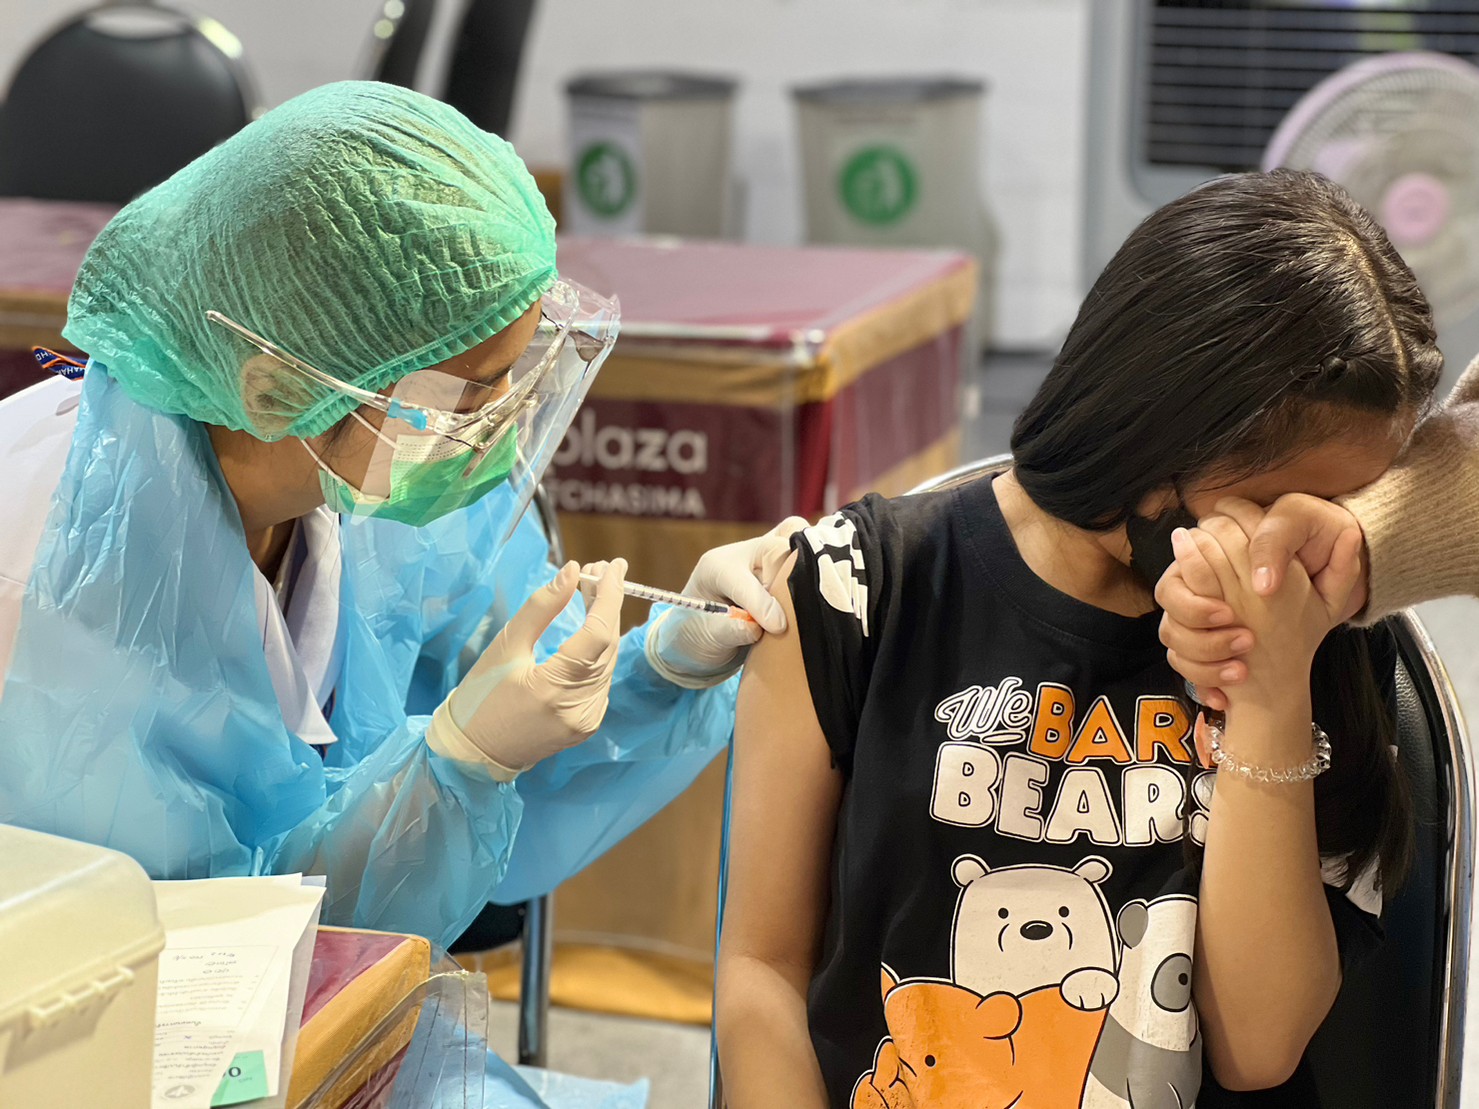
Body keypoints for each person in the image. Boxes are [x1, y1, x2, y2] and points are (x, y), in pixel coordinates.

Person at [0, 82, 796, 948]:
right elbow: (199, 959)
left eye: (516, 376)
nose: (501, 425)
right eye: (471, 397)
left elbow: (519, 695)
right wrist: (462, 760)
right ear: (276, 391)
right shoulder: (50, 587)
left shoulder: (374, 473)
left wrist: (663, 666)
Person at [714, 169, 1440, 1107]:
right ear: (1157, 438)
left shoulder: (1323, 637)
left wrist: (1266, 694)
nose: (1315, 544)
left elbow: (1256, 1047)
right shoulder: (858, 592)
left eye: (1347, 509)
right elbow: (762, 970)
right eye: (1275, 503)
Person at [1156, 352, 1479, 707]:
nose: (1295, 554)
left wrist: (1366, 540)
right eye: (1270, 506)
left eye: (1347, 498)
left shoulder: (1358, 658)